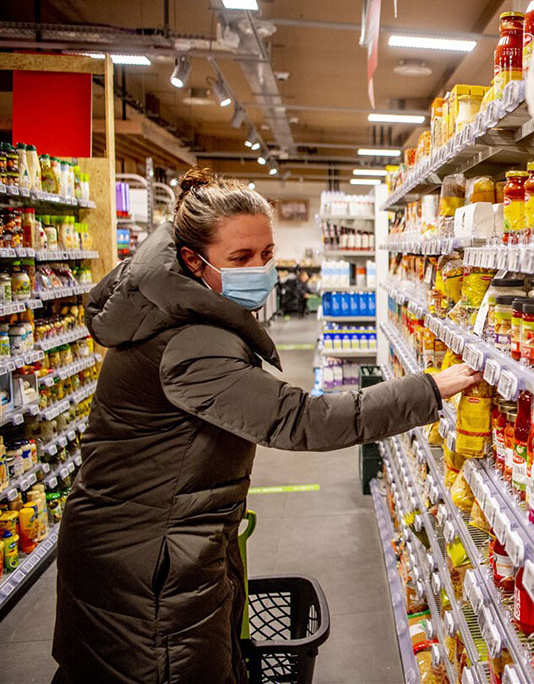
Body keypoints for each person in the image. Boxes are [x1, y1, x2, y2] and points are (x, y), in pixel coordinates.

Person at [51, 168, 481, 683]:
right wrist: (430, 388)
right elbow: (302, 420)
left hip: (147, 542)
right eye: (240, 259)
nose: (260, 269)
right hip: (147, 566)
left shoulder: (166, 306)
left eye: (266, 254)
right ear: (192, 260)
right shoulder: (188, 341)